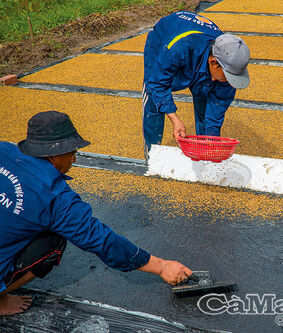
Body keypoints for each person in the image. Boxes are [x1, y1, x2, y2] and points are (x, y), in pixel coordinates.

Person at [0, 111, 192, 316]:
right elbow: (102, 241)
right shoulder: (56, 198)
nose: (74, 158)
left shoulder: (3, 149)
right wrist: (162, 267)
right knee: (54, 241)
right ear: (53, 154)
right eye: (71, 151)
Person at [143, 10, 250, 157]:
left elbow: (217, 107)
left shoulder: (229, 58)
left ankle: (203, 154)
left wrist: (212, 142)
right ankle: (152, 156)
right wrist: (175, 120)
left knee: (205, 97)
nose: (229, 82)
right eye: (227, 76)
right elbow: (158, 83)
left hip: (198, 56)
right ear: (213, 62)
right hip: (165, 40)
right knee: (154, 98)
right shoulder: (179, 49)